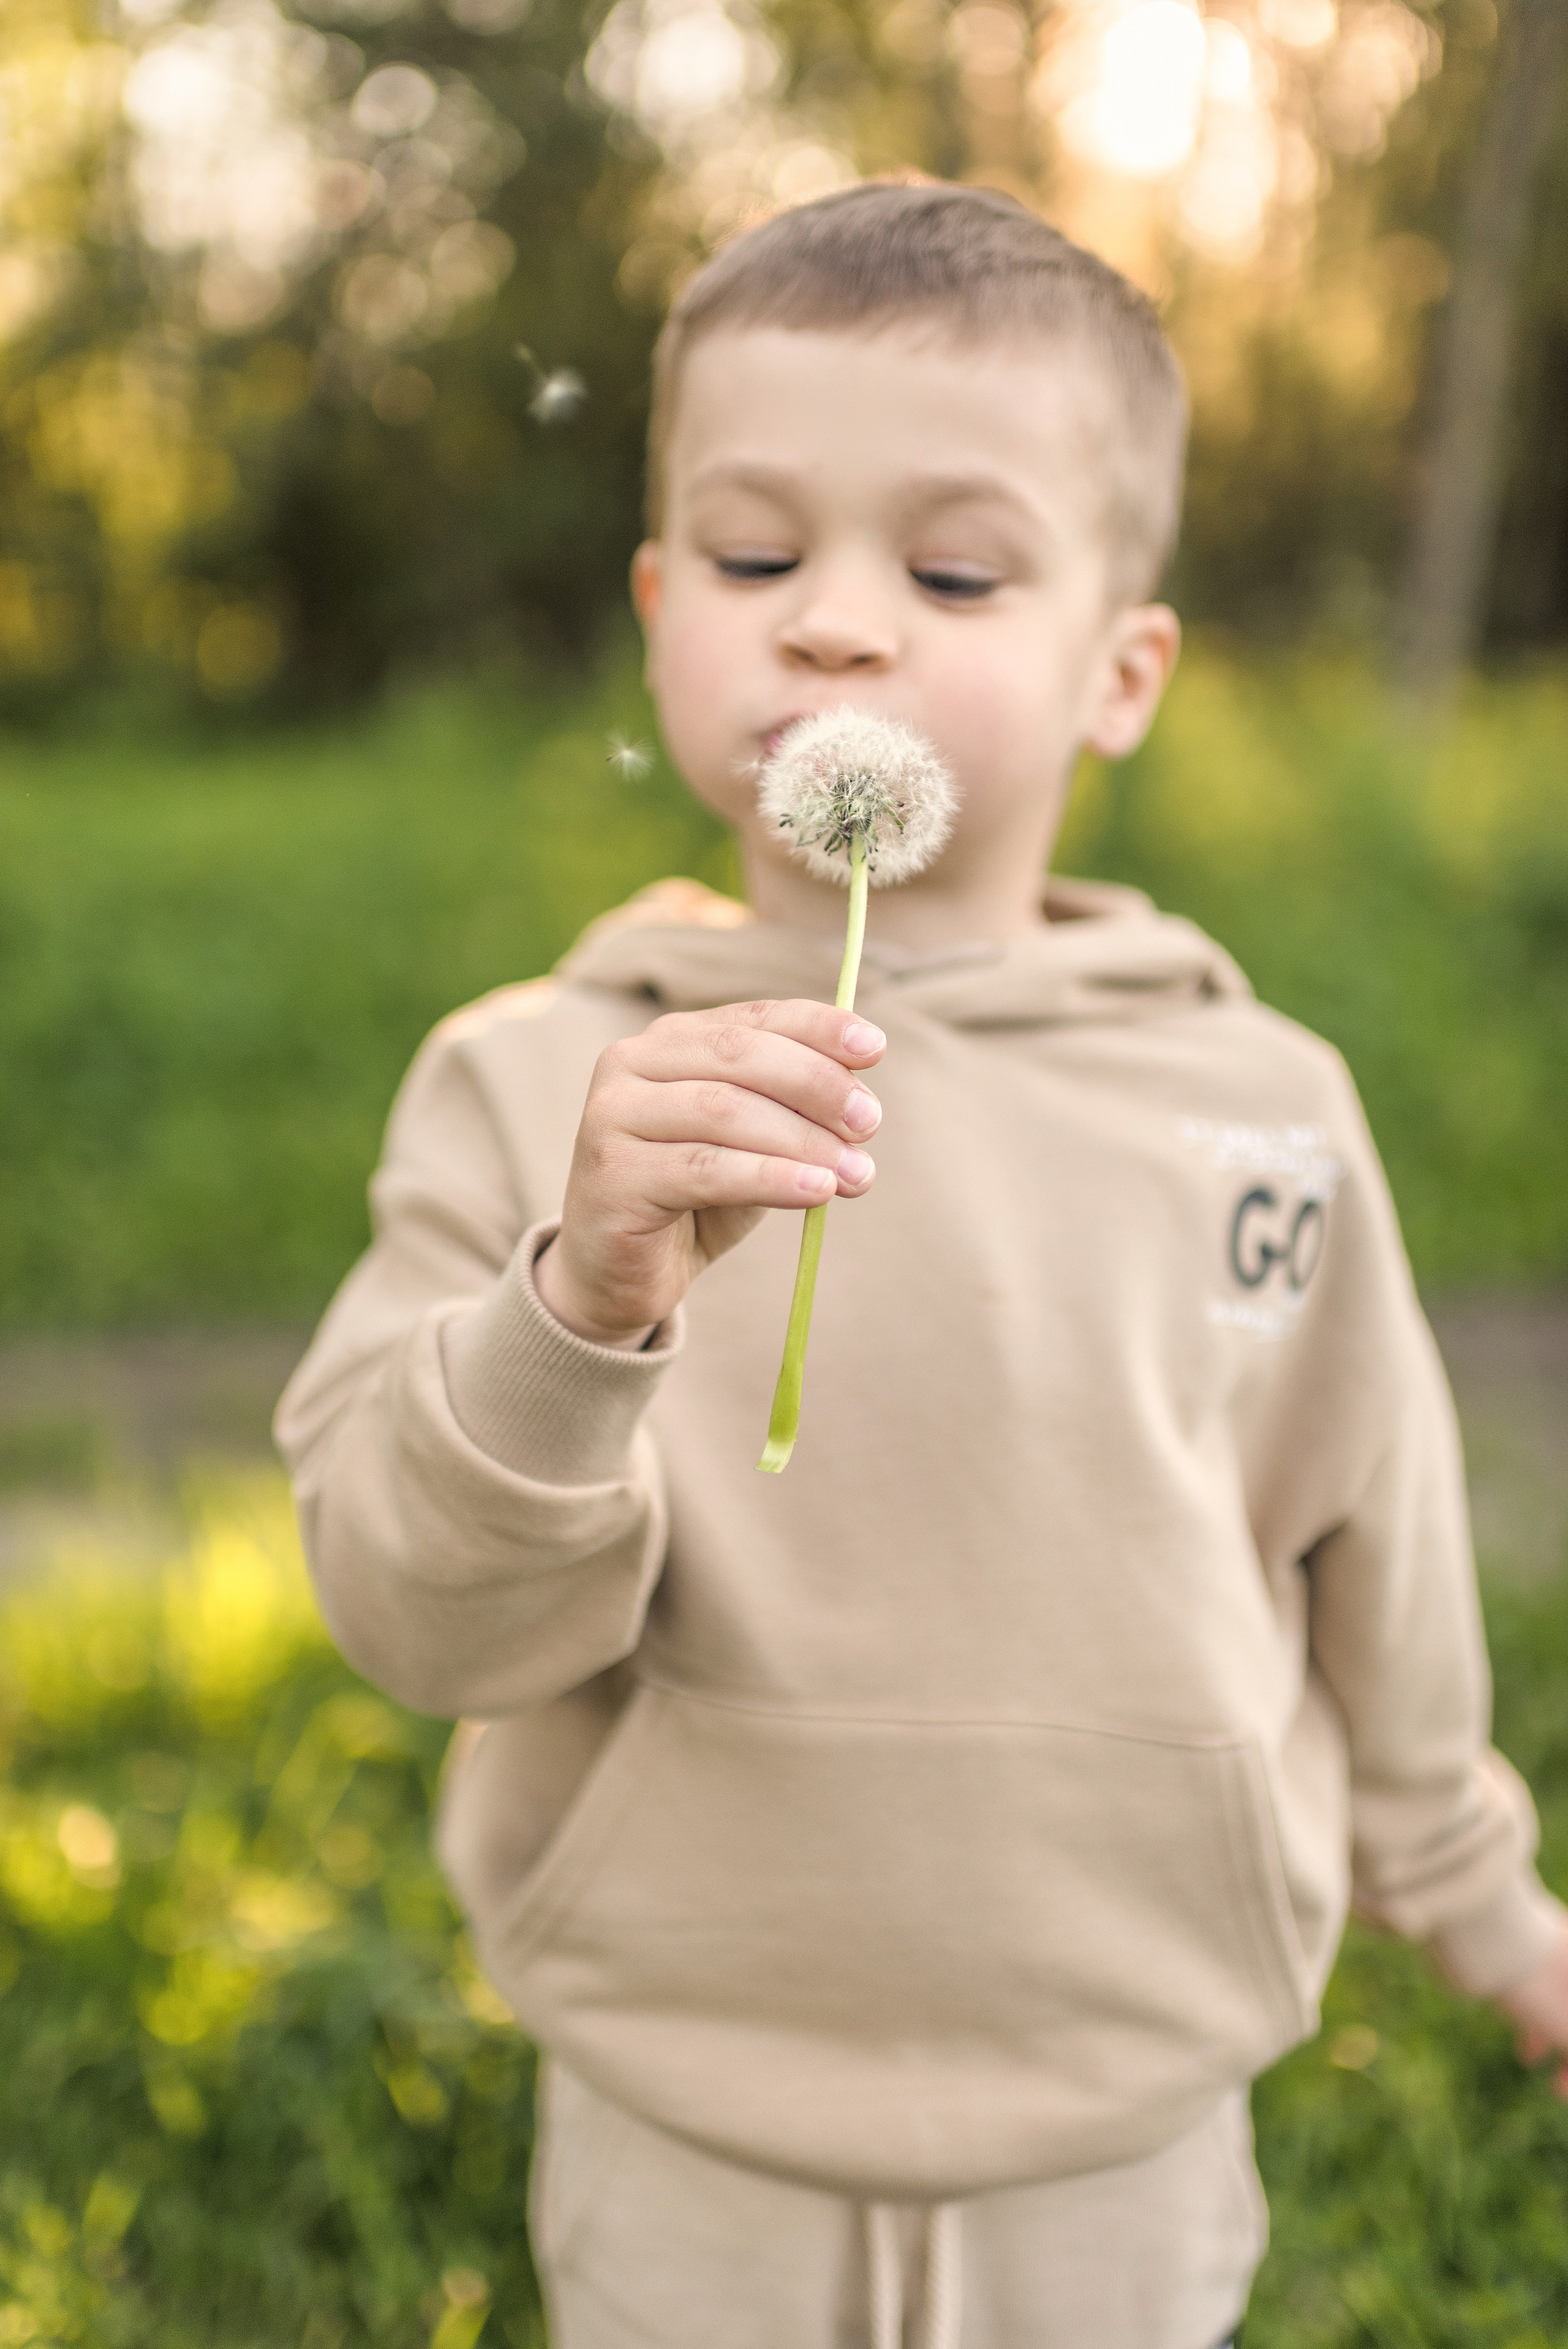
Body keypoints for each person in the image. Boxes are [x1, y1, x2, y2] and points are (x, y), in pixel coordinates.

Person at [274, 181, 1568, 2349]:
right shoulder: (536, 1088)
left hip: (1129, 2106)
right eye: (754, 558)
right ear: (658, 604)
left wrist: (1481, 1895)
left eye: (953, 572)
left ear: (1122, 670)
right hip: (687, 2100)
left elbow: (1384, 1541)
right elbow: (413, 1614)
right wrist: (575, 1311)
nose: (837, 625)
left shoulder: (1262, 1105)